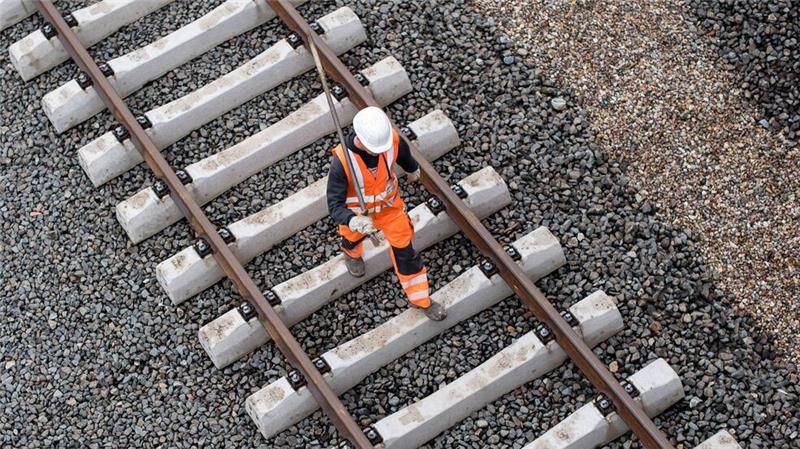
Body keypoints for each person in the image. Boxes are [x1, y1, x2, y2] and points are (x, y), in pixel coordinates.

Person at [326, 107, 446, 321]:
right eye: (374, 149)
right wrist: (352, 220)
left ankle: (421, 300)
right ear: (360, 140)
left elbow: (403, 154)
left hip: (390, 209)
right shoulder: (342, 162)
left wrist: (411, 169)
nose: (379, 151)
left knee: (406, 252)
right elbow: (334, 205)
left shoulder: (390, 140)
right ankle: (351, 253)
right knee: (351, 238)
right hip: (358, 215)